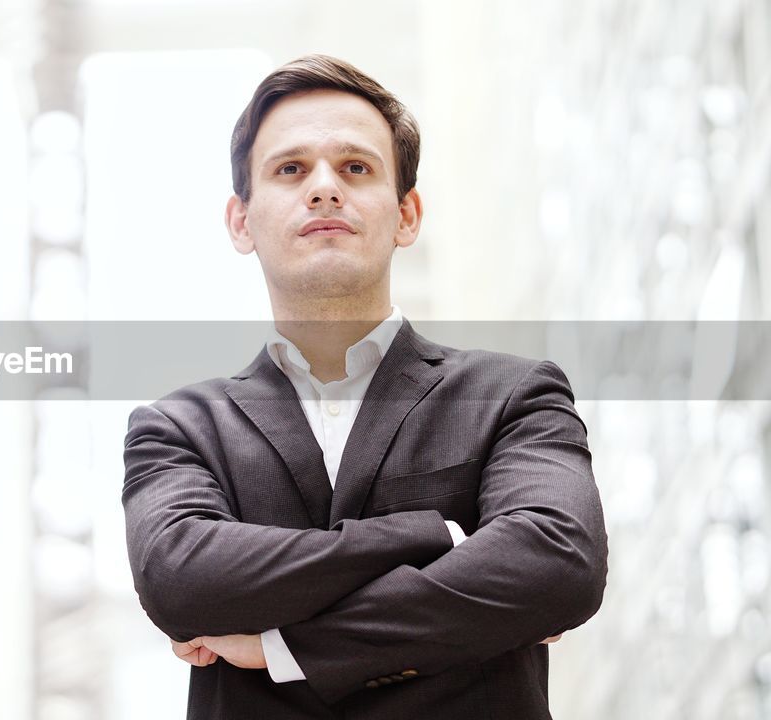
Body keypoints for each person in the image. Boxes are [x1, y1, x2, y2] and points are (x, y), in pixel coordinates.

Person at [121, 54, 608, 719]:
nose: (323, 188)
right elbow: (181, 583)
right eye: (290, 169)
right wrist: (435, 537)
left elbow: (556, 564)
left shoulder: (513, 395)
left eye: (356, 167)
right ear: (242, 221)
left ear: (407, 214)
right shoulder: (179, 428)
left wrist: (285, 646)